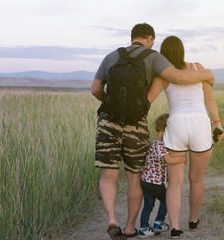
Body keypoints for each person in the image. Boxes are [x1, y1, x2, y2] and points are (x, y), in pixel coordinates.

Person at [91, 23, 215, 240]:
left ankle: (112, 219)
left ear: (132, 37)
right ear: (149, 38)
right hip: (137, 124)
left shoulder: (111, 56)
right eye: (152, 41)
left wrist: (111, 104)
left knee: (108, 174)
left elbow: (95, 89)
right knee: (134, 176)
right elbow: (179, 77)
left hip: (108, 122)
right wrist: (207, 75)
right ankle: (131, 227)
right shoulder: (153, 57)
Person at [147, 36, 224, 238]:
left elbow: (147, 101)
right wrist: (217, 123)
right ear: (182, 51)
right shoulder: (198, 68)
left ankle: (174, 227)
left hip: (177, 125)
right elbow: (210, 98)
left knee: (175, 182)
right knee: (197, 179)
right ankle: (193, 220)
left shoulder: (162, 75)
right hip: (200, 124)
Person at [139, 113, 186, 239]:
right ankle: (159, 222)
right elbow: (169, 160)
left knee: (148, 205)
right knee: (167, 199)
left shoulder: (155, 143)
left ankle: (144, 228)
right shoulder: (159, 145)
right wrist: (183, 158)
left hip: (145, 180)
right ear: (168, 130)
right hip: (153, 182)